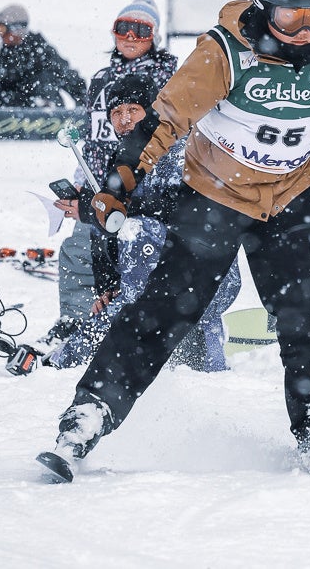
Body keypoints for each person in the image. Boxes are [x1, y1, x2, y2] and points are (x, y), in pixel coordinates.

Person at [38, 0, 310, 482]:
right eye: (292, 17)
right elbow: (165, 118)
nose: (306, 31)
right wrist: (122, 179)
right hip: (214, 196)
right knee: (167, 309)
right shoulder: (224, 50)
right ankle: (88, 416)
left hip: (286, 201)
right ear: (264, 6)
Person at [47, 72, 240, 372]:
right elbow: (107, 229)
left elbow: (179, 208)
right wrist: (109, 286)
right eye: (116, 113)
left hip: (207, 274)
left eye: (132, 110)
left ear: (151, 111)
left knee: (137, 229)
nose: (124, 119)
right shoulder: (122, 158)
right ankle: (172, 342)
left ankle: (187, 343)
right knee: (121, 225)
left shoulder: (180, 147)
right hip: (160, 283)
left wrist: (109, 208)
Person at [44, 0, 180, 344]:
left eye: (142, 29)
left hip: (146, 176)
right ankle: (79, 322)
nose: (131, 37)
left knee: (124, 237)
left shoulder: (169, 75)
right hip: (104, 177)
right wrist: (83, 186)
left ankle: (123, 322)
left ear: (156, 35)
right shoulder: (101, 79)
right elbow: (93, 135)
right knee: (81, 244)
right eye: (123, 28)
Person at [0, 3, 87, 108]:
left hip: (37, 107)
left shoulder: (41, 52)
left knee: (43, 79)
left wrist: (84, 107)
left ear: (17, 29)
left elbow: (70, 78)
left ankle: (46, 110)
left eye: (2, 29)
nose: (0, 35)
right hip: (11, 109)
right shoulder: (1, 57)